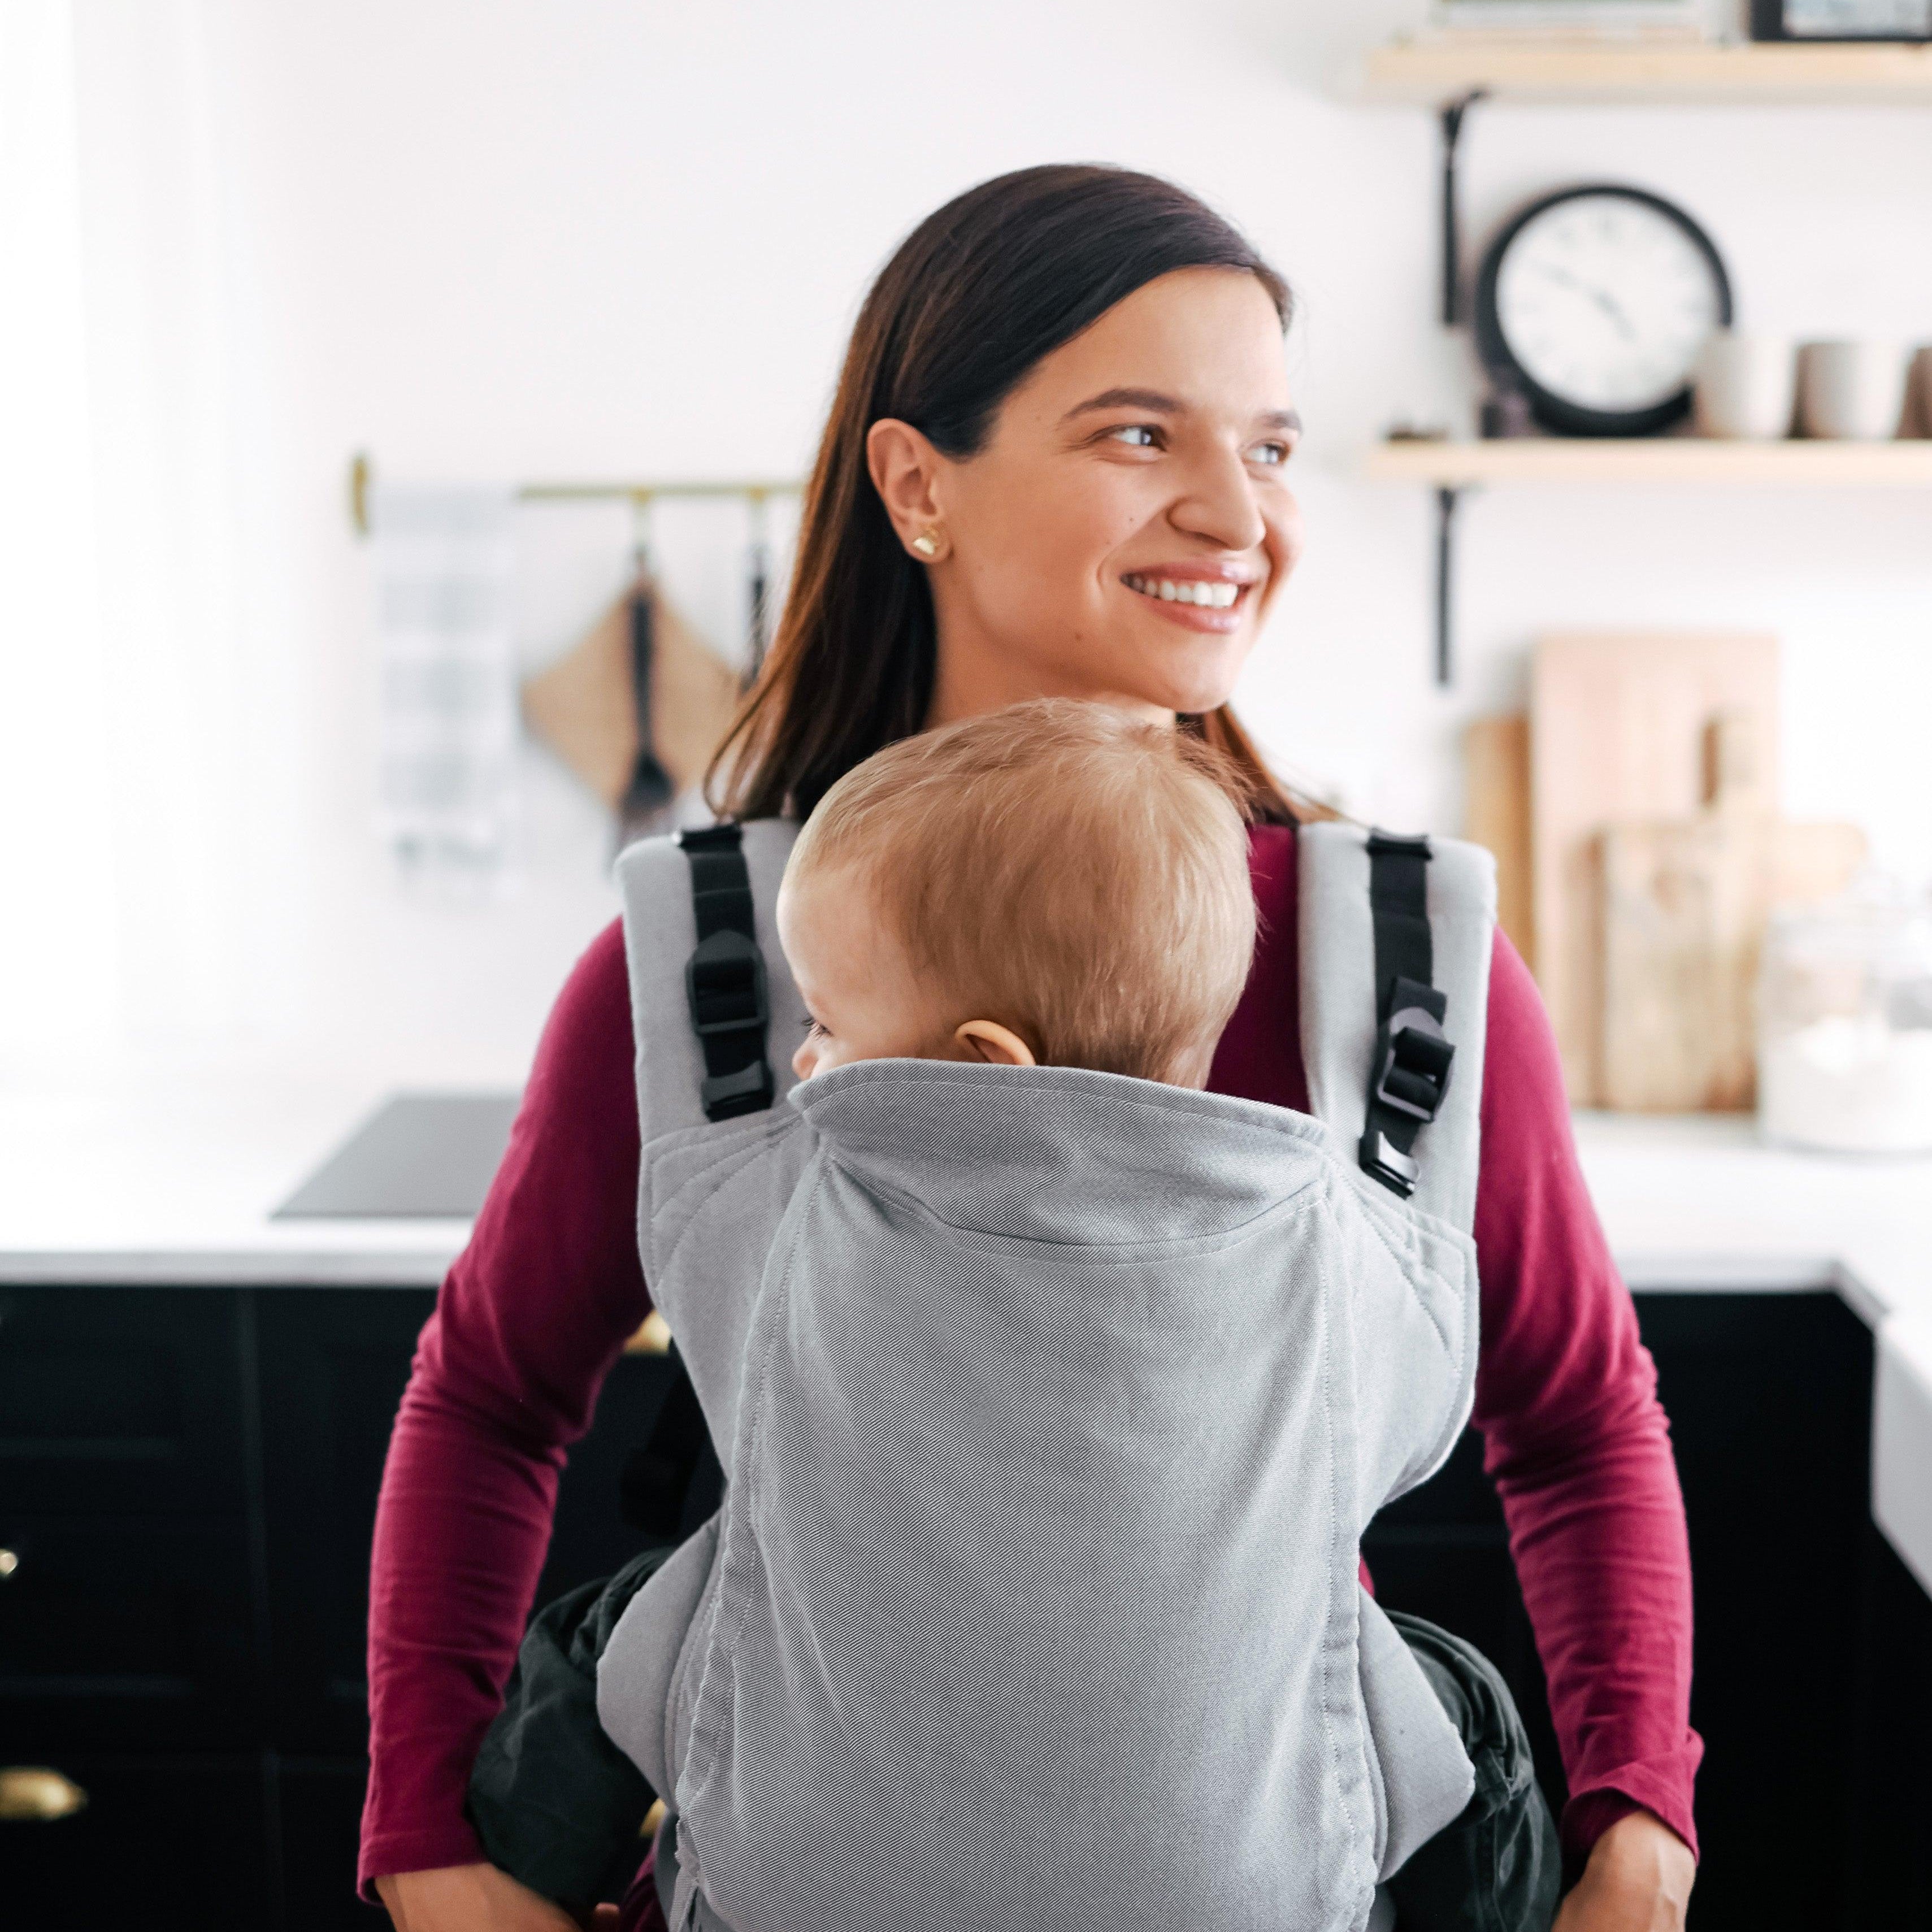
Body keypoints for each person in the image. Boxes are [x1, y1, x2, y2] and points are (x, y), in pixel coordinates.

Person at [364, 165, 1699, 1932]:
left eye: (1274, 447)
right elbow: (487, 1393)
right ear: (917, 481)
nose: (1239, 511)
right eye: (1141, 433)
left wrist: (1636, 1837)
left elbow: (1579, 1420)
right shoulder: (706, 960)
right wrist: (433, 1853)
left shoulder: (1395, 968)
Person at [463, 699, 1557, 1931]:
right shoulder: (1349, 1252)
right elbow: (1532, 1424)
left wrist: (455, 1864)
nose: (802, 1065)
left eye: (826, 1022)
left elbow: (480, 1398)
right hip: (1251, 1896)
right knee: (1461, 1701)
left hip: (790, 1897)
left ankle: (520, 1880)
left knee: (609, 1629)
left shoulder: (764, 1214)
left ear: (983, 1068)